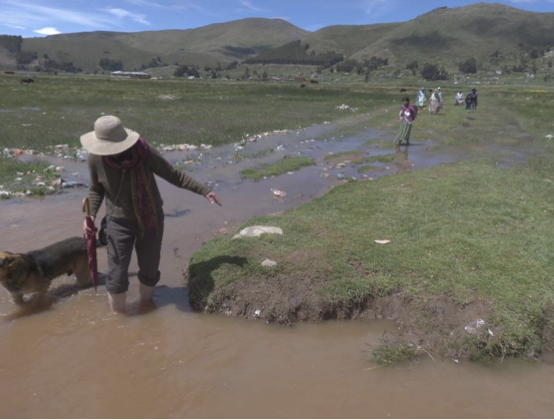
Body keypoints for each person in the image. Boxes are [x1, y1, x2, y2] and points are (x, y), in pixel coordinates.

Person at [80, 115, 222, 313]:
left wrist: (204, 190)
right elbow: (96, 189)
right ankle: (117, 322)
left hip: (150, 219)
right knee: (117, 274)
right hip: (118, 223)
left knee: (149, 269)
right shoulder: (95, 158)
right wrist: (91, 216)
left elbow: (173, 174)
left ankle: (146, 307)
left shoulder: (143, 152)